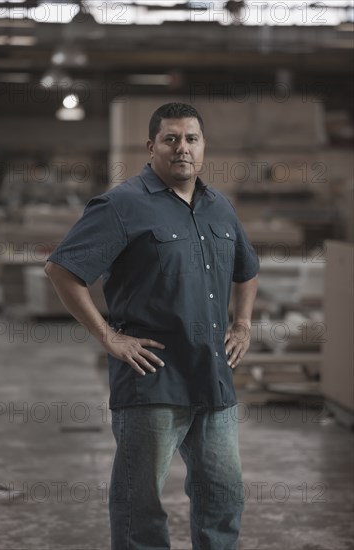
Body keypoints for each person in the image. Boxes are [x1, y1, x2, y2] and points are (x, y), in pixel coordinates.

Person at [45, 102, 260, 550]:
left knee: (223, 497)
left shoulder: (220, 207)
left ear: (203, 148)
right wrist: (109, 337)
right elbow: (62, 270)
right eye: (171, 139)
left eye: (192, 139)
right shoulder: (121, 206)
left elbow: (247, 269)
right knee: (139, 507)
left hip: (214, 382)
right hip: (152, 381)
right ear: (152, 146)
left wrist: (242, 325)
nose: (182, 148)